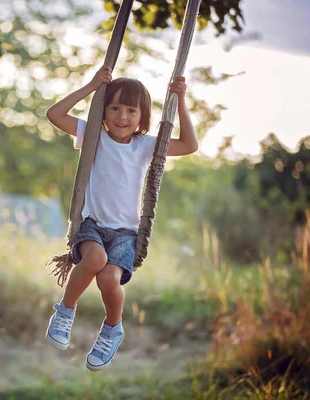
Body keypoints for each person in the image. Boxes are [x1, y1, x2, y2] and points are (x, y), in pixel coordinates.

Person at [44, 65, 198, 371]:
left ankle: (112, 329)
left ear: (142, 117)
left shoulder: (145, 146)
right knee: (93, 260)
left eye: (131, 110)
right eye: (114, 107)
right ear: (104, 109)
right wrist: (91, 87)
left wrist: (180, 100)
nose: (122, 117)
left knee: (108, 278)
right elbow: (55, 114)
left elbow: (190, 145)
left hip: (127, 233)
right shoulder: (93, 135)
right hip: (92, 226)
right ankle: (64, 312)